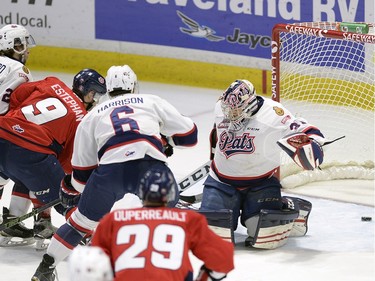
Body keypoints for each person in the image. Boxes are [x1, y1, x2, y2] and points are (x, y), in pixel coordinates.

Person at [31, 64, 199, 281]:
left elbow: (82, 176)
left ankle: (45, 268)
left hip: (110, 173)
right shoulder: (151, 100)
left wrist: (69, 187)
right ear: (134, 85)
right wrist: (165, 140)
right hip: (151, 170)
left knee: (79, 224)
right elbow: (190, 137)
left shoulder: (91, 116)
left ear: (108, 88)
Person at [200, 79, 326, 249]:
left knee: (263, 234)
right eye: (228, 109)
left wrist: (313, 144)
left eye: (236, 110)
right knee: (211, 235)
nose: (230, 114)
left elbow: (308, 131)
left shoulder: (274, 114)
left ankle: (290, 206)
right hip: (221, 181)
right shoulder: (221, 108)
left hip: (261, 183)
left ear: (249, 104)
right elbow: (216, 136)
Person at [0, 69, 106, 248]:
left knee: (27, 176)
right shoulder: (82, 117)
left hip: (3, 132)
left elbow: (18, 95)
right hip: (32, 154)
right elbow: (67, 160)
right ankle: (92, 241)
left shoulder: (52, 82)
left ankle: (16, 221)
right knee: (68, 197)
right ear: (90, 93)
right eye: (95, 95)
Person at [69, 167, 234, 281]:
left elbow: (90, 265)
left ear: (141, 191)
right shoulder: (188, 219)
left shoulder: (114, 219)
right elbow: (223, 259)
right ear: (170, 193)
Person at [0, 23, 36, 237]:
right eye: (22, 45)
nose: (27, 49)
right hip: (5, 132)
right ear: (12, 46)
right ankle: (13, 220)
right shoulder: (21, 72)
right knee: (28, 168)